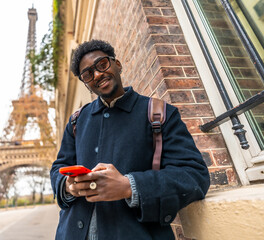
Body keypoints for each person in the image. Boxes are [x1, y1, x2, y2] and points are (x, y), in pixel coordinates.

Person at [50, 39, 211, 240]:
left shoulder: (160, 114)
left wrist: (129, 186)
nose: (98, 74)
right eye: (88, 74)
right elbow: (58, 167)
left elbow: (194, 176)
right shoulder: (76, 121)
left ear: (117, 64)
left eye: (102, 64)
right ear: (87, 84)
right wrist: (67, 185)